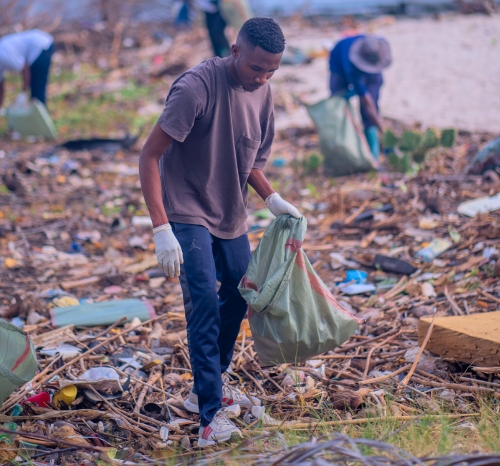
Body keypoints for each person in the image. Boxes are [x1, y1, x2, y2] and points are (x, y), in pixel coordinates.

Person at [139, 17, 301, 447]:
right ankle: (210, 416)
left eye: (272, 71)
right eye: (255, 68)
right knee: (204, 306)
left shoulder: (264, 93)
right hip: (186, 209)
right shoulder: (196, 88)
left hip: (230, 211)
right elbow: (149, 156)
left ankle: (206, 386)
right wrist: (161, 228)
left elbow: (251, 162)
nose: (263, 77)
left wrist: (271, 198)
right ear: (234, 51)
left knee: (243, 290)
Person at [329, 35, 392, 159]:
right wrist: (383, 130)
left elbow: (371, 103)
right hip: (339, 63)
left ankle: (373, 152)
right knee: (337, 102)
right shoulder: (351, 65)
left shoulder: (375, 50)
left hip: (370, 60)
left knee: (373, 102)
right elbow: (366, 102)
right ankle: (343, 145)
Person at [0, 29, 54, 110]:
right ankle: (37, 117)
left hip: (42, 45)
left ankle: (40, 119)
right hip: (35, 47)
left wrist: (23, 93)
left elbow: (25, 70)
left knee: (37, 90)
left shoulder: (3, 55)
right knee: (35, 93)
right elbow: (0, 85)